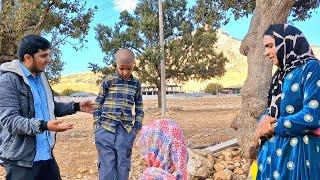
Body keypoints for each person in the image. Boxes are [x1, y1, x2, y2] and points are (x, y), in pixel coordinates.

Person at [0, 35, 93, 180]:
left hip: (46, 155)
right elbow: (10, 121)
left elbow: (50, 107)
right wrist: (45, 125)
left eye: (49, 55)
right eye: (43, 56)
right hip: (21, 161)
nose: (48, 60)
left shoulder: (41, 77)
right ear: (28, 58)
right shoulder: (8, 81)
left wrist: (76, 106)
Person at [253, 24, 320, 179]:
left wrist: (274, 127)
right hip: (271, 156)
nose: (266, 53)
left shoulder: (311, 68)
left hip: (299, 155)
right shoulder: (279, 76)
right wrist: (264, 118)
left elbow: (313, 115)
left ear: (287, 42)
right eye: (265, 47)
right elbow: (273, 110)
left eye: (270, 46)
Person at [93, 48, 144, 180]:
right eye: (122, 68)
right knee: (107, 168)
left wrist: (135, 128)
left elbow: (139, 106)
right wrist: (97, 127)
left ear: (134, 65)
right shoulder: (109, 80)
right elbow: (98, 103)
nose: (125, 72)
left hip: (126, 132)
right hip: (105, 129)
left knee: (123, 166)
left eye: (129, 69)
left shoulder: (136, 84)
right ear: (116, 65)